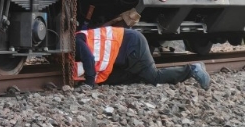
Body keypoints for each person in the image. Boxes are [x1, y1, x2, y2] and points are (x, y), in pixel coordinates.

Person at [74, 26, 211, 89]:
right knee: (111, 80)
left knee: (153, 77)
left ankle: (192, 69)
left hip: (132, 44)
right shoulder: (79, 38)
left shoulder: (77, 41)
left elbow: (89, 59)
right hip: (125, 49)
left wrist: (89, 82)